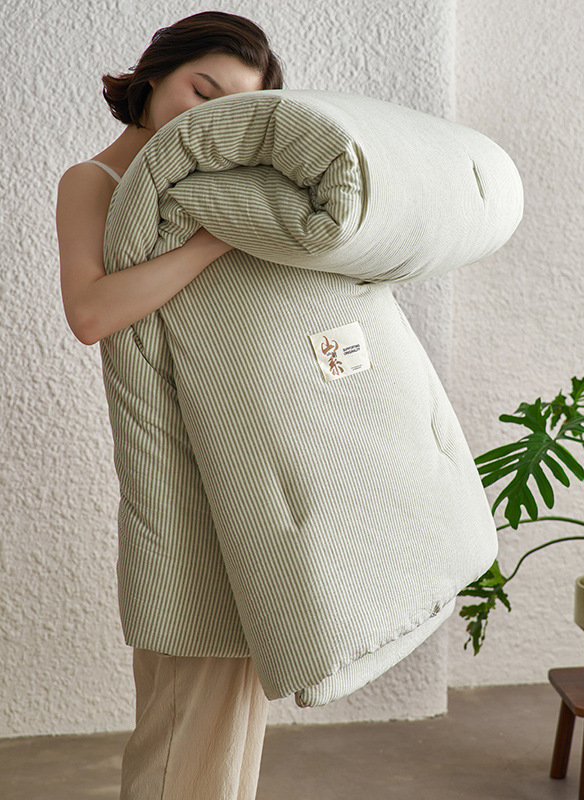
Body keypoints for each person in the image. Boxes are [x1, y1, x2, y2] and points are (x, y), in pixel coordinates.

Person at [54, 12, 285, 800]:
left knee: (230, 719)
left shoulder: (211, 189)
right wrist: (212, 243)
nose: (207, 115)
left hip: (238, 458)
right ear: (155, 74)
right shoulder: (94, 182)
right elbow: (91, 313)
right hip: (174, 470)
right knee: (187, 720)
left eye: (232, 108)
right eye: (201, 89)